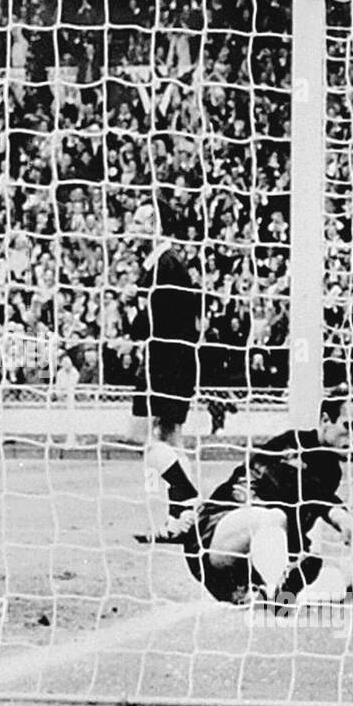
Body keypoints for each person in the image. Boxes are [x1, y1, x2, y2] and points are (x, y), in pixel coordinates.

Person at [142, 394, 353, 609]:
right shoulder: (291, 445)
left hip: (261, 564)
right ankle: (278, 591)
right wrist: (337, 513)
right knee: (273, 517)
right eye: (350, 426)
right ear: (325, 420)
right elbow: (293, 484)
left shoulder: (331, 472)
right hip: (218, 543)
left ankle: (280, 593)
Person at [134, 201, 204, 537]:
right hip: (170, 360)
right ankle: (181, 517)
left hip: (166, 362)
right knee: (169, 437)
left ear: (157, 226)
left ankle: (187, 499)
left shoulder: (167, 265)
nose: (134, 228)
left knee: (146, 436)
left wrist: (137, 329)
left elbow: (165, 320)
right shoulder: (160, 263)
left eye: (140, 222)